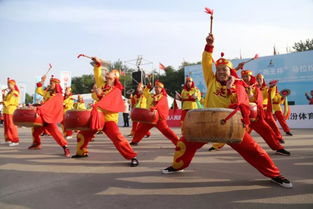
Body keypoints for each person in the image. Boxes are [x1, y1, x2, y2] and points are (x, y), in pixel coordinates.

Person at [162, 34, 293, 189]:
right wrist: (209, 46)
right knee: (184, 143)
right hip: (208, 124)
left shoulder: (238, 85)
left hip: (231, 126)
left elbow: (242, 104)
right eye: (218, 70)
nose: (221, 72)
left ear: (230, 70)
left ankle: (275, 174)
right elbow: (206, 62)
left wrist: (231, 87)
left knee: (254, 151)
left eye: (224, 69)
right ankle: (177, 166)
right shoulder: (211, 80)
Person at [72, 57, 139, 167]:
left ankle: (132, 156)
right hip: (97, 117)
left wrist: (99, 95)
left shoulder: (116, 90)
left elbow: (107, 102)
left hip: (109, 120)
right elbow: (97, 73)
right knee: (82, 134)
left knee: (118, 138)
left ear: (115, 77)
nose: (108, 72)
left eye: (111, 73)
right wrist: (97, 63)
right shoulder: (102, 84)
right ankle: (81, 153)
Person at [28, 75, 71, 157]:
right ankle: (37, 143)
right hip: (43, 114)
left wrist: (39, 108)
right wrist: (41, 82)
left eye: (51, 83)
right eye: (50, 83)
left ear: (56, 85)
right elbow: (39, 91)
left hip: (49, 116)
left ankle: (65, 147)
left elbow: (50, 104)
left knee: (56, 133)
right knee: (35, 129)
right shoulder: (48, 92)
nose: (50, 85)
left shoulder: (58, 95)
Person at [130, 81, 179, 146]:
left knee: (166, 131)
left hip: (159, 119)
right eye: (155, 87)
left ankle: (178, 142)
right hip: (149, 117)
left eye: (158, 87)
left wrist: (155, 105)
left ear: (161, 89)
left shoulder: (163, 97)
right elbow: (145, 93)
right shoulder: (151, 95)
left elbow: (161, 105)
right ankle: (134, 141)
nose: (156, 88)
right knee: (141, 129)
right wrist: (147, 87)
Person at [0, 78, 20, 146]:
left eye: (9, 85)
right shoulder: (9, 92)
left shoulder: (15, 93)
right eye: (8, 84)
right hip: (6, 111)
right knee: (7, 126)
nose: (8, 86)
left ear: (13, 85)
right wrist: (3, 94)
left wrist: (2, 102)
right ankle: (9, 139)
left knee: (12, 126)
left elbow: (10, 101)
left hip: (11, 111)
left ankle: (15, 140)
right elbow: (5, 100)